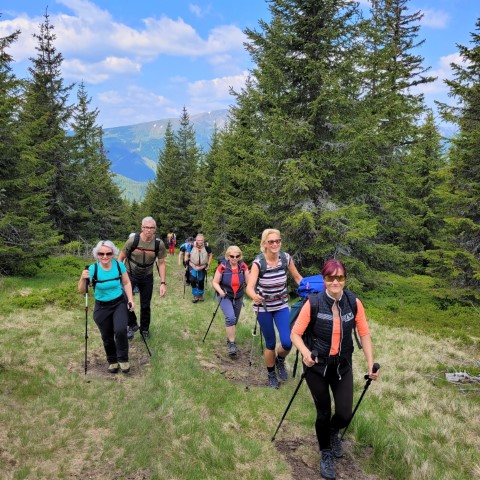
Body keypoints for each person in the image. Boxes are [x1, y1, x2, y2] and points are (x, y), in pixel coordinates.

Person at [290, 259, 379, 480]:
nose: (335, 281)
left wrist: (370, 364)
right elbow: (295, 334)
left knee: (344, 413)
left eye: (340, 277)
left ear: (345, 279)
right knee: (324, 412)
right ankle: (325, 452)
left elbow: (364, 333)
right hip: (316, 366)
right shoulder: (313, 303)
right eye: (331, 277)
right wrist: (305, 352)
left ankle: (333, 432)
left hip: (343, 366)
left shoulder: (353, 302)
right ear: (324, 279)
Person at [246, 228, 302, 388]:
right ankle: (271, 374)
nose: (275, 244)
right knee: (270, 343)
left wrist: (311, 289)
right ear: (265, 244)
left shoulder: (286, 258)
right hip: (263, 308)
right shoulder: (258, 263)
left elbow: (297, 277)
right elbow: (249, 287)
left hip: (281, 306)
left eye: (278, 241)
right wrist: (254, 296)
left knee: (287, 342)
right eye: (271, 241)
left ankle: (280, 360)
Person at [78, 240, 135, 374]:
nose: (105, 256)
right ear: (97, 254)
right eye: (101, 253)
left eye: (108, 253)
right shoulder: (93, 269)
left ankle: (123, 359)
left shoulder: (119, 266)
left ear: (113, 253)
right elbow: (82, 290)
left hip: (119, 303)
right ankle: (112, 361)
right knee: (107, 336)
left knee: (121, 330)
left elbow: (126, 283)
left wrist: (131, 299)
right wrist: (82, 278)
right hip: (101, 307)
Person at [118, 217, 167, 338]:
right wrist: (119, 274)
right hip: (130, 275)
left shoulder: (158, 243)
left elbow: (161, 263)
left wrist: (162, 283)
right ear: (142, 227)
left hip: (147, 277)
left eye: (151, 228)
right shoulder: (132, 241)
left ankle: (144, 330)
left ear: (155, 229)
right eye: (146, 227)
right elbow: (120, 258)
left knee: (145, 305)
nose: (148, 230)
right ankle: (131, 324)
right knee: (125, 301)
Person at [212, 246, 250, 356]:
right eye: (232, 256)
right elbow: (215, 282)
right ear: (227, 256)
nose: (234, 258)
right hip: (225, 295)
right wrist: (220, 291)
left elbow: (249, 282)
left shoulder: (243, 267)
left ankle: (229, 339)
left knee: (234, 320)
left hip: (238, 296)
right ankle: (232, 344)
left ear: (240, 256)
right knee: (230, 317)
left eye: (237, 256)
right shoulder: (222, 266)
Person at [185, 233, 213, 303]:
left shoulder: (206, 246)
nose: (200, 241)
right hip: (193, 265)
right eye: (198, 240)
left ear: (203, 240)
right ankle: (195, 295)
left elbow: (210, 255)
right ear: (196, 240)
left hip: (202, 266)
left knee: (201, 280)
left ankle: (200, 294)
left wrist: (208, 264)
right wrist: (186, 263)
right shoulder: (191, 246)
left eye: (201, 240)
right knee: (192, 279)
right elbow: (187, 254)